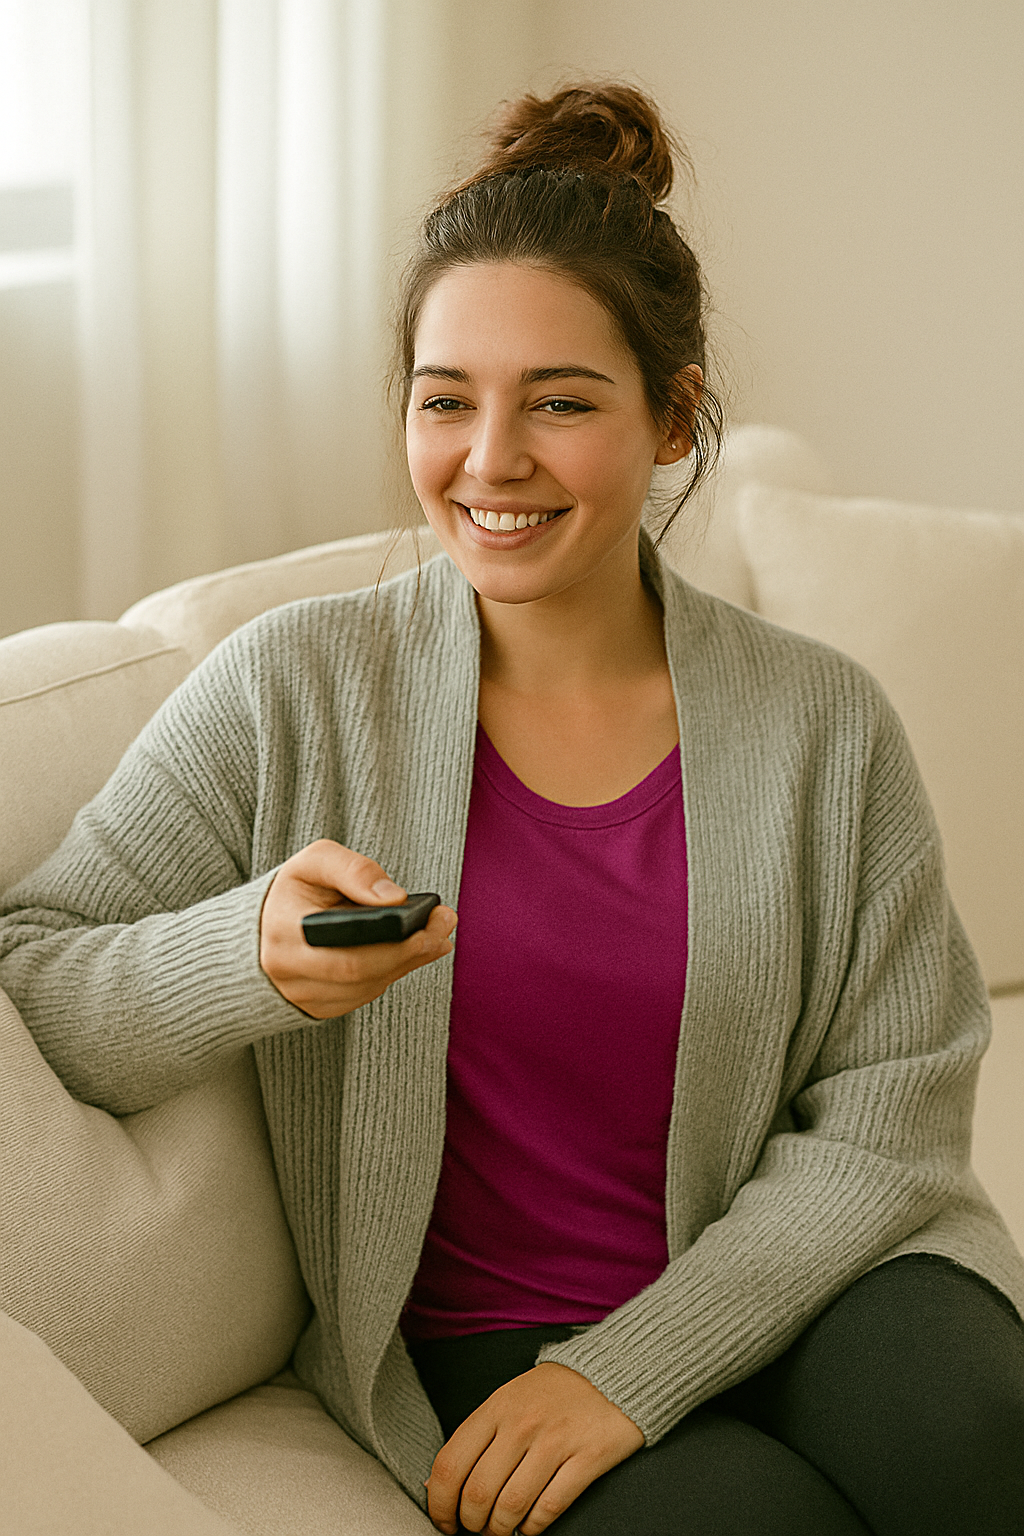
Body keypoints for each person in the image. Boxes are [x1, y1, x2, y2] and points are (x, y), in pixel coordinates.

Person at [2, 83, 1023, 1536]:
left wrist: (636, 1369)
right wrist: (245, 958)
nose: (491, 459)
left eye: (561, 400)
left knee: (983, 1443)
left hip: (818, 1276)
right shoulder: (291, 690)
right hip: (503, 1335)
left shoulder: (825, 722)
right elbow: (40, 979)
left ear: (672, 420)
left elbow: (895, 1115)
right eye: (446, 400)